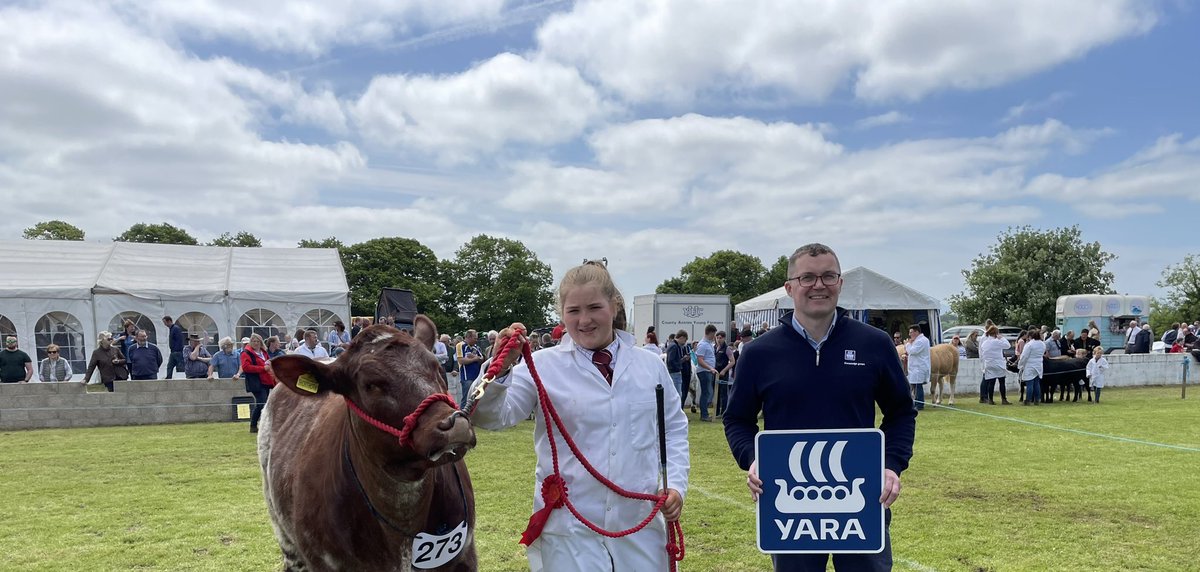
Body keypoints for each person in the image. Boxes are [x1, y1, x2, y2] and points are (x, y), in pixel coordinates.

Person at [472, 260, 688, 572]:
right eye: (573, 311)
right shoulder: (542, 366)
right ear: (561, 313)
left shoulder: (650, 365)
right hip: (570, 529)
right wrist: (500, 367)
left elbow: (674, 429)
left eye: (594, 307)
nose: (584, 320)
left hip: (639, 523)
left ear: (613, 307)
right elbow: (492, 416)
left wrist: (677, 484)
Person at [724, 243, 915, 571]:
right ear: (790, 288)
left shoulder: (874, 343)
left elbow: (900, 412)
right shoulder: (759, 353)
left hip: (860, 496)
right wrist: (755, 460)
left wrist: (890, 465)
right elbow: (737, 420)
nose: (818, 285)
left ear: (840, 283)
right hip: (789, 503)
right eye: (807, 278)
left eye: (829, 276)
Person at [240, 333, 276, 433]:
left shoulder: (264, 352)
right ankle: (264, 426)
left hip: (266, 380)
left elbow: (268, 361)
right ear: (251, 342)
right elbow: (246, 367)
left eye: (258, 341)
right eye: (254, 341)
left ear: (261, 342)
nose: (256, 343)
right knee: (262, 404)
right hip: (255, 381)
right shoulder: (246, 353)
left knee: (261, 404)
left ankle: (254, 425)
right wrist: (262, 368)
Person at [979, 325, 1011, 405]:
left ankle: (991, 399)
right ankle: (1004, 399)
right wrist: (1002, 338)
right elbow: (1008, 345)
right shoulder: (997, 341)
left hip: (989, 363)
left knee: (991, 382)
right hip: (998, 363)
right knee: (1002, 382)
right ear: (996, 333)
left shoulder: (985, 343)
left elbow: (983, 354)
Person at [694, 324, 719, 422]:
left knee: (709, 392)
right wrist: (710, 368)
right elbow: (700, 360)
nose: (714, 336)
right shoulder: (703, 344)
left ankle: (705, 413)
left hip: (709, 371)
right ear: (709, 333)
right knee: (706, 393)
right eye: (713, 334)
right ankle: (704, 415)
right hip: (704, 371)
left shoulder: (708, 343)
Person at [903, 324, 931, 411]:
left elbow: (912, 351)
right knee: (915, 385)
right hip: (916, 367)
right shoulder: (918, 340)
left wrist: (907, 344)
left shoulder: (921, 341)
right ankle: (915, 403)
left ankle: (920, 404)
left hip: (919, 367)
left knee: (918, 386)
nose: (910, 334)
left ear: (917, 332)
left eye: (911, 332)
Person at [1018, 329, 1046, 404]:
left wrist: (1020, 365)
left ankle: (1028, 400)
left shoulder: (1029, 344)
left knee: (1029, 383)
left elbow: (1024, 356)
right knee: (1036, 383)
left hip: (1030, 365)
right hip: (1039, 364)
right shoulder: (1042, 344)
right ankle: (1037, 399)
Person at [456, 330, 484, 403]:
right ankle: (463, 413)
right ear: (468, 337)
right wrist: (475, 359)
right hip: (467, 377)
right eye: (475, 338)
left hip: (477, 377)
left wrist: (474, 357)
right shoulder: (460, 345)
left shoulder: (476, 347)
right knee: (466, 398)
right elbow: (461, 360)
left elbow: (482, 359)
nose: (476, 340)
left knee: (476, 398)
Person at [714, 330, 735, 417]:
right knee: (716, 393)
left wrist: (724, 370)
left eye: (721, 338)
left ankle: (724, 411)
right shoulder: (714, 347)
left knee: (723, 393)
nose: (719, 340)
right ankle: (716, 411)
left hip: (723, 373)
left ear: (724, 338)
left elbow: (732, 361)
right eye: (717, 338)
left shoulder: (727, 349)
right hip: (715, 373)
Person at [665, 331, 688, 402]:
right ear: (681, 337)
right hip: (674, 373)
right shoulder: (674, 346)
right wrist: (682, 361)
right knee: (677, 395)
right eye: (685, 340)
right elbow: (671, 361)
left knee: (676, 394)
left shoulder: (672, 345)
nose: (685, 342)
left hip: (673, 372)